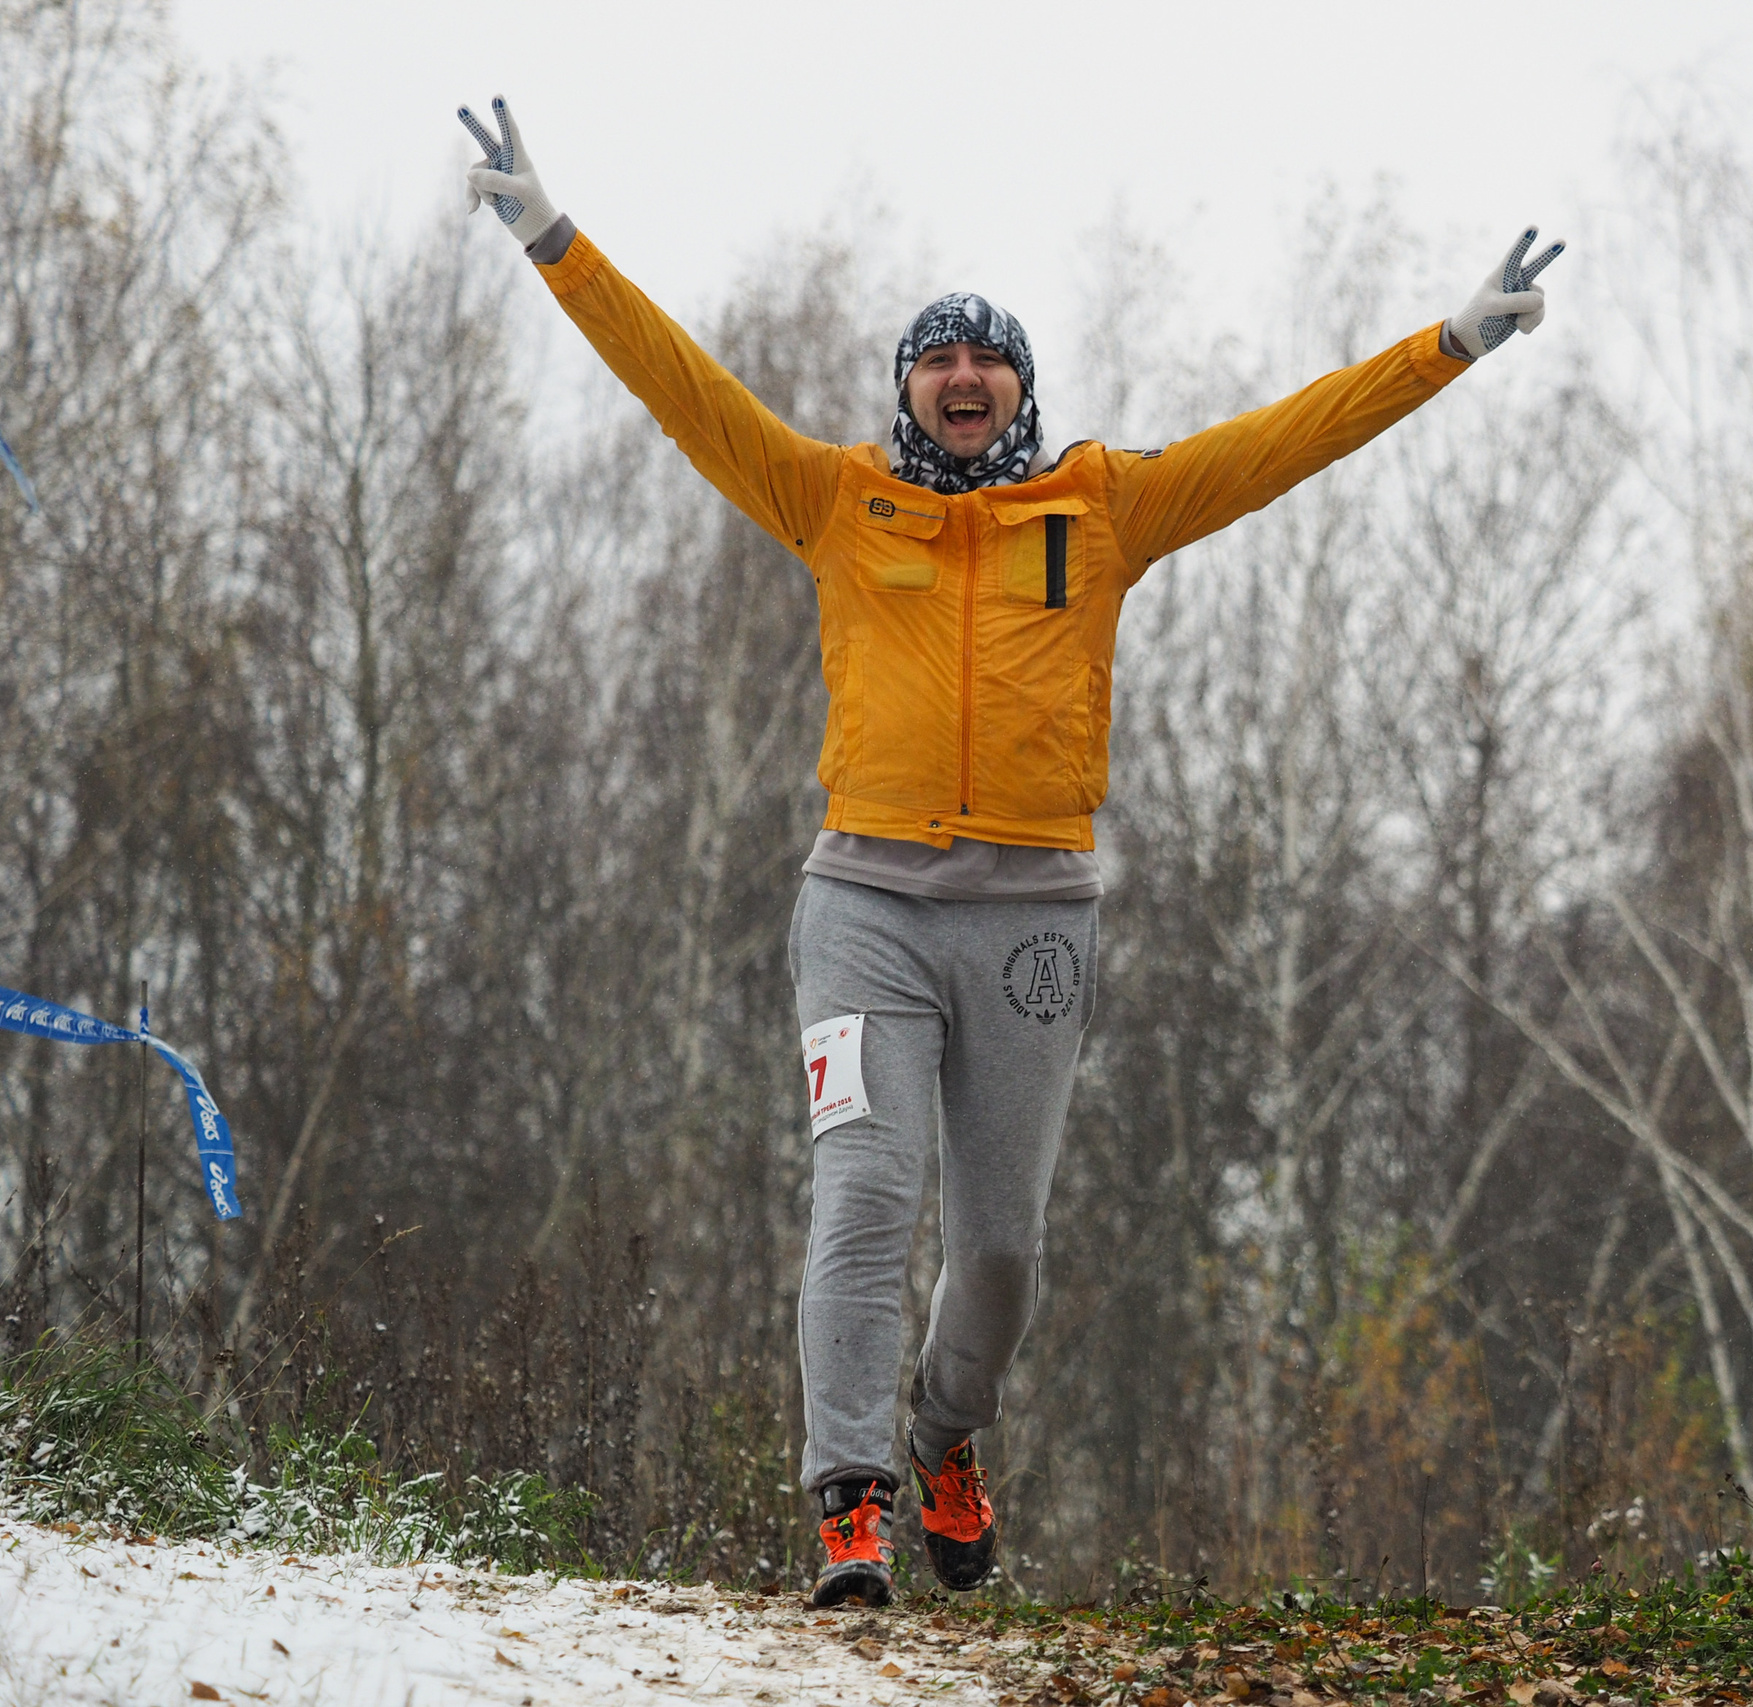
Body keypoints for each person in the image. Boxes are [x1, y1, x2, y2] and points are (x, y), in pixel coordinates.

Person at [458, 94, 1561, 1609]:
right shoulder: (837, 499)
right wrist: (552, 239)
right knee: (863, 1194)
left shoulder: (1101, 506)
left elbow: (1284, 441)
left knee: (1001, 1252)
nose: (960, 376)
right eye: (936, 357)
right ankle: (848, 1499)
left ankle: (943, 1439)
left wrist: (1448, 343)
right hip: (864, 903)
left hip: (1036, 920)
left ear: (1018, 387)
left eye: (986, 359)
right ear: (908, 386)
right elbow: (685, 390)